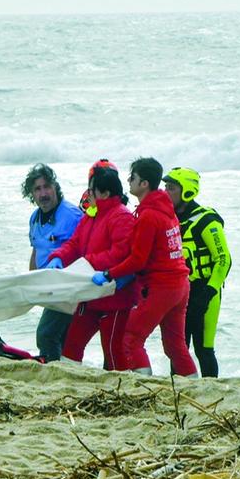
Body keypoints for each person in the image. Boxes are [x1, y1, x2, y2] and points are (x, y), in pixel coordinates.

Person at [92, 157, 197, 377]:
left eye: (133, 177)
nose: (128, 181)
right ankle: (195, 387)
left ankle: (143, 387)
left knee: (131, 338)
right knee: (175, 346)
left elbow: (138, 260)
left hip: (162, 287)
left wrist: (109, 273)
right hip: (180, 285)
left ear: (144, 184)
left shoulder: (148, 216)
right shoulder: (166, 210)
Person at [44, 162, 136, 370]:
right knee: (71, 346)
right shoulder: (91, 215)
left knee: (113, 350)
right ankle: (71, 381)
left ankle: (120, 389)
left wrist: (88, 262)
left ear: (103, 192)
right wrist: (58, 256)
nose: (88, 193)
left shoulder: (122, 217)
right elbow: (75, 244)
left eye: (91, 189)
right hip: (90, 296)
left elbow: (121, 254)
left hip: (115, 297)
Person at [163, 167, 231, 378]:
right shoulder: (169, 219)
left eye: (171, 188)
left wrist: (207, 293)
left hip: (205, 294)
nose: (166, 192)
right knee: (177, 350)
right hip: (179, 294)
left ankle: (212, 392)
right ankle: (179, 393)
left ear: (187, 192)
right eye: (165, 187)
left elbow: (224, 260)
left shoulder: (206, 221)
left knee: (204, 350)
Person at [22, 163, 83, 362]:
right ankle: (62, 371)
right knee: (62, 337)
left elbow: (85, 249)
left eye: (47, 187)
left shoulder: (72, 215)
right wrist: (32, 281)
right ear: (31, 194)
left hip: (69, 288)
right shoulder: (35, 218)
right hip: (48, 288)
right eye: (37, 189)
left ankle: (52, 370)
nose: (43, 193)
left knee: (46, 334)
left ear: (55, 187)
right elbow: (36, 250)